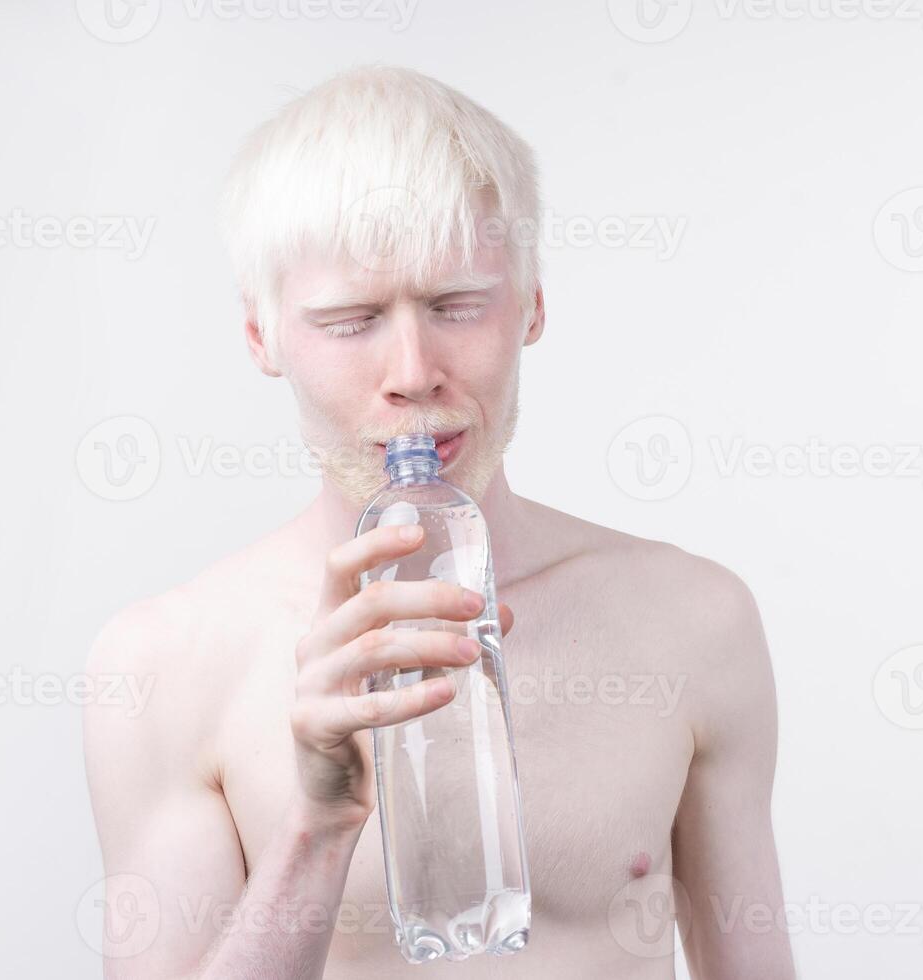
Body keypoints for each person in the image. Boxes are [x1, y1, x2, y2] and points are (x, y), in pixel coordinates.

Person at [83, 63, 795, 980]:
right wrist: (318, 829)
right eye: (351, 320)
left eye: (458, 305)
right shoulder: (159, 665)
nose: (414, 371)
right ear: (261, 336)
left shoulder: (694, 619)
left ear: (533, 302)